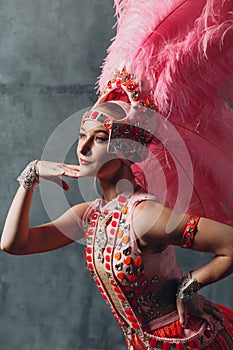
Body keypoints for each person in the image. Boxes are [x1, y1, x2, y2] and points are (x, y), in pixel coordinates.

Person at [1, 0, 233, 349]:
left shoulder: (145, 216)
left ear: (128, 151)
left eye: (99, 140)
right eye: (82, 137)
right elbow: (13, 244)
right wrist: (31, 174)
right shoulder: (89, 216)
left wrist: (189, 288)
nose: (82, 149)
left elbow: (231, 244)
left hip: (187, 342)